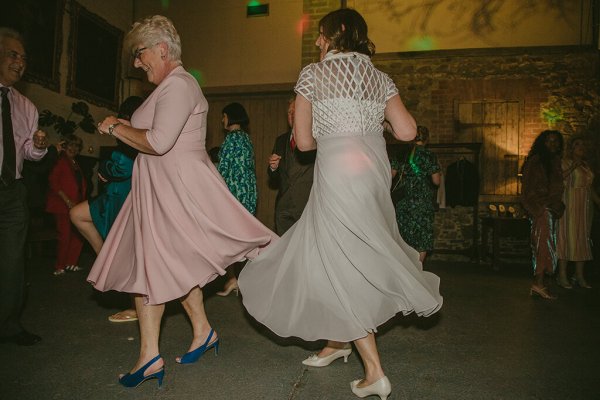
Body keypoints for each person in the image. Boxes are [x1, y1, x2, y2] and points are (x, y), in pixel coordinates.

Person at [238, 9, 442, 400]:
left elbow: (305, 141)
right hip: (372, 175)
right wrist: (372, 124)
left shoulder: (312, 75)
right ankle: (337, 341)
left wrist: (333, 128)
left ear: (339, 33)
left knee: (337, 256)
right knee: (340, 252)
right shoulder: (380, 78)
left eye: (321, 34)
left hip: (338, 174)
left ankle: (375, 371)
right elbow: (407, 131)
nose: (317, 42)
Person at [87, 15, 275, 388]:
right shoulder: (167, 88)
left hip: (176, 191)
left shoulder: (179, 85)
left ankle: (148, 357)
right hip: (159, 190)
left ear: (161, 49)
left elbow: (158, 142)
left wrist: (114, 126)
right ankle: (202, 331)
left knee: (152, 269)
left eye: (140, 54)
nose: (137, 63)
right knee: (171, 266)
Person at [70, 96, 144, 322]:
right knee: (77, 214)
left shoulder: (137, 137)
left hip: (123, 199)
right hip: (112, 196)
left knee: (132, 253)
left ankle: (135, 307)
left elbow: (120, 165)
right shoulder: (128, 135)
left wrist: (105, 168)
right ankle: (106, 261)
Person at [0, 27, 48, 346]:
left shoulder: (26, 106)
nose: (20, 63)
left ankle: (8, 325)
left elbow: (28, 152)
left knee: (12, 260)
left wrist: (40, 145)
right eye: (12, 55)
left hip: (12, 191)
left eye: (24, 58)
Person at [215, 102, 258, 296]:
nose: (222, 120)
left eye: (223, 116)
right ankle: (236, 279)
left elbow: (222, 170)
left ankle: (237, 279)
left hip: (233, 195)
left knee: (232, 240)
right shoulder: (246, 138)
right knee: (240, 238)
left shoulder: (231, 139)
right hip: (247, 194)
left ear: (230, 117)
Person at [521, 130, 565, 300]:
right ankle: (538, 283)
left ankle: (540, 283)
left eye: (556, 141)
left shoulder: (554, 161)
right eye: (549, 141)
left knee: (549, 246)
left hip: (551, 209)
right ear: (542, 143)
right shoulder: (536, 162)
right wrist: (540, 207)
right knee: (543, 246)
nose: (553, 144)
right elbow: (527, 189)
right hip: (542, 209)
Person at [391, 125, 441, 262]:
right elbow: (436, 181)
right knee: (422, 237)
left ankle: (404, 272)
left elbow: (390, 176)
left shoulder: (401, 154)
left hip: (403, 201)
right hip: (422, 202)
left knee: (403, 235)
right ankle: (417, 273)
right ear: (427, 139)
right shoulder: (430, 156)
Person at [268, 96, 316, 235]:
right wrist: (273, 167)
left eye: (295, 111)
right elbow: (273, 178)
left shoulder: (316, 139)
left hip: (307, 206)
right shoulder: (281, 140)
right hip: (283, 208)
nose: (292, 115)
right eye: (289, 112)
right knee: (285, 252)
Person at [556, 135, 598, 289]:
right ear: (571, 148)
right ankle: (562, 275)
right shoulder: (564, 162)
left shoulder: (586, 166)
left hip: (584, 205)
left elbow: (589, 187)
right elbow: (558, 178)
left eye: (583, 144)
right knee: (567, 237)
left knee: (582, 238)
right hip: (570, 204)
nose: (581, 147)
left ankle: (579, 276)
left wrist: (597, 201)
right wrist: (573, 166)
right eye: (577, 144)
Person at [45, 134, 87, 276]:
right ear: (64, 146)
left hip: (76, 205)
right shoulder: (61, 161)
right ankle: (60, 266)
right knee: (64, 236)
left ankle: (71, 263)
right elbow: (54, 183)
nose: (74, 148)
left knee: (79, 234)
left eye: (77, 146)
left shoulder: (74, 162)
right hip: (63, 205)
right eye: (71, 145)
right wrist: (68, 201)